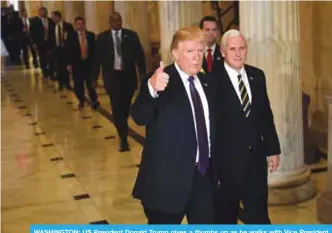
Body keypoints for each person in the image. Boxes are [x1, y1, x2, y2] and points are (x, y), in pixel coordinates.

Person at [131, 27, 215, 224]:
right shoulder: (160, 80)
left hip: (203, 180)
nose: (197, 57)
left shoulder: (207, 82)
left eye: (200, 51)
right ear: (175, 54)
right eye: (190, 51)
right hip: (167, 184)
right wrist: (151, 88)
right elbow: (139, 116)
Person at [212, 29, 281, 224]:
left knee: (260, 218)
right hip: (226, 166)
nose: (238, 53)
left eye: (242, 48)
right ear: (223, 51)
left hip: (255, 163)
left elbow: (265, 115)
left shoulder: (257, 76)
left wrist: (273, 149)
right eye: (232, 49)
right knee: (225, 219)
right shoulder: (212, 80)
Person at [92, 12, 146, 152]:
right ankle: (123, 137)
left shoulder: (131, 36)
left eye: (119, 20)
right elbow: (97, 59)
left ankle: (123, 124)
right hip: (112, 77)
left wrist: (142, 74)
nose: (117, 23)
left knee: (126, 107)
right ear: (110, 22)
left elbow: (139, 56)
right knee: (116, 107)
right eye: (114, 21)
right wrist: (94, 77)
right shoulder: (102, 38)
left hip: (128, 77)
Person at [66, 16, 99, 109]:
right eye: (78, 24)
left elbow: (95, 50)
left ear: (84, 24)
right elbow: (68, 50)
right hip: (77, 63)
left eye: (82, 24)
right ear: (75, 25)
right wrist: (68, 63)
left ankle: (94, 99)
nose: (80, 26)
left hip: (88, 63)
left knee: (90, 83)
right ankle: (81, 99)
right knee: (78, 83)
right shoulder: (71, 36)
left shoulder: (91, 35)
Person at [30, 7, 55, 80]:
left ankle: (51, 73)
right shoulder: (34, 21)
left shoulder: (50, 21)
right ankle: (45, 73)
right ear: (39, 12)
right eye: (42, 12)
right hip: (40, 43)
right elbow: (32, 33)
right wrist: (34, 43)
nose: (43, 13)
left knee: (51, 58)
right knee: (42, 58)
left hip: (49, 43)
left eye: (45, 12)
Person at [51, 11, 73, 91]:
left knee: (66, 67)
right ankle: (60, 84)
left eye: (53, 17)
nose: (52, 19)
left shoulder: (68, 26)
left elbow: (71, 38)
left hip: (66, 49)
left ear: (58, 17)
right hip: (57, 50)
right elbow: (52, 39)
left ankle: (67, 83)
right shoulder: (52, 26)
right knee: (59, 67)